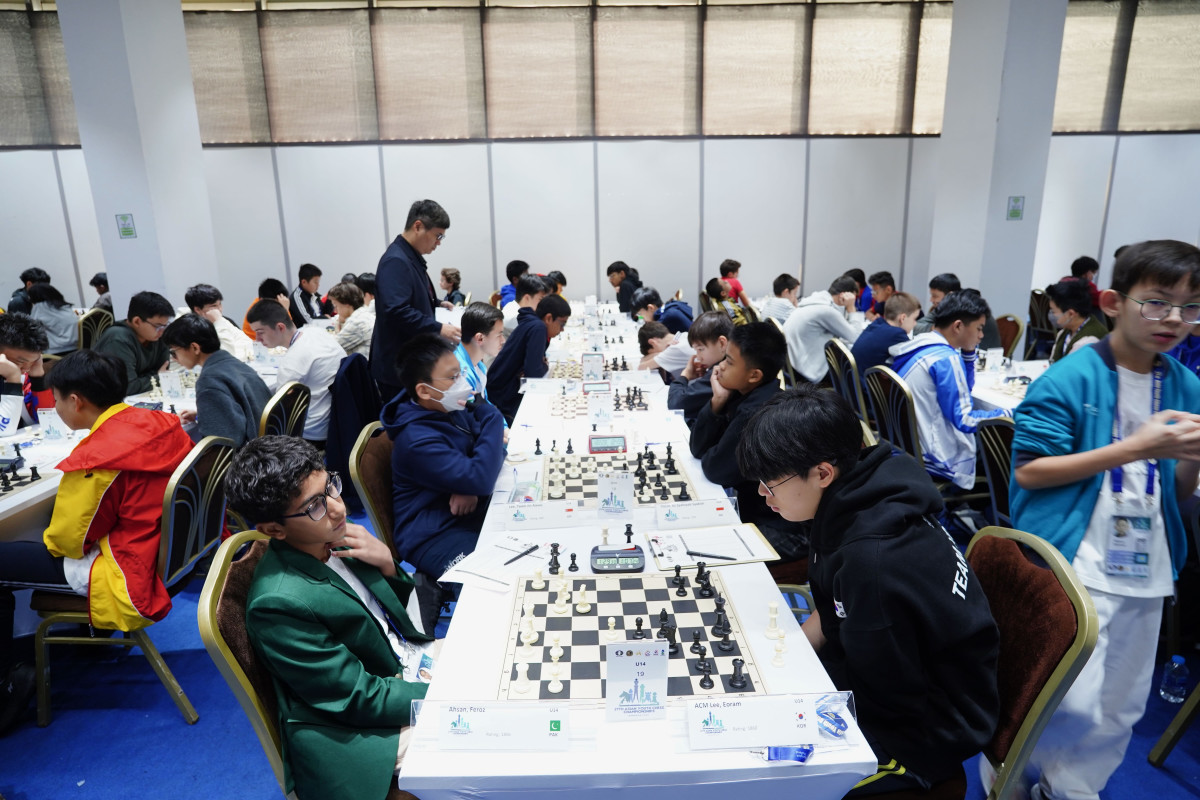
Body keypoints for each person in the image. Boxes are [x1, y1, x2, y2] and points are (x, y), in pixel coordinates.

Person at [736, 386, 999, 795]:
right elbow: (835, 605)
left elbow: (889, 698)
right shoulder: (862, 490)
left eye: (771, 483)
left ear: (823, 473)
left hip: (922, 731)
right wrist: (792, 655)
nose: (762, 494)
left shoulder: (871, 561)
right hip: (892, 676)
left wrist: (791, 698)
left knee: (759, 774)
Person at [1009, 240, 1200, 800]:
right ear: (1114, 302)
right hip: (1074, 558)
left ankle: (1070, 789)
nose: (1175, 319)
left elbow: (1178, 492)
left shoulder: (1185, 385)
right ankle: (1012, 770)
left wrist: (1190, 460)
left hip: (1147, 562)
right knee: (1068, 699)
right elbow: (1029, 472)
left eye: (1191, 307)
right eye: (1157, 302)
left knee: (1122, 705)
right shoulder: (1070, 377)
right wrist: (1135, 448)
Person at [224, 436, 434, 800]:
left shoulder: (333, 538)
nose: (337, 508)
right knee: (494, 735)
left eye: (330, 487)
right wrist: (446, 695)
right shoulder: (277, 604)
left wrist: (387, 564)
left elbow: (396, 619)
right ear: (274, 530)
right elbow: (358, 698)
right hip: (359, 729)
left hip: (401, 665)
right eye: (314, 506)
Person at [0, 350, 194, 734]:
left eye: (55, 400)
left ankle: (7, 684)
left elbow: (67, 541)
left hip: (125, 566)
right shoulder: (161, 421)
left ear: (76, 401)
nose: (54, 408)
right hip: (169, 551)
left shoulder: (96, 456)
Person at [381, 335, 505, 584]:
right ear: (424, 390)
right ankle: (430, 592)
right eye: (452, 377)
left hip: (463, 514)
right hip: (432, 534)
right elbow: (482, 475)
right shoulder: (416, 439)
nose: (463, 383)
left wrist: (469, 484)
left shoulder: (447, 407)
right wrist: (492, 416)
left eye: (460, 373)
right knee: (490, 580)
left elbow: (494, 454)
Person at [689, 323, 809, 564]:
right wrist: (717, 401)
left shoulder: (756, 412)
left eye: (729, 361)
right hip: (762, 515)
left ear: (754, 375)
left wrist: (715, 448)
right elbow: (698, 448)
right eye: (724, 358)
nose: (720, 366)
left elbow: (715, 469)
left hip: (787, 530)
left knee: (699, 553)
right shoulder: (743, 392)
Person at [890, 291, 1006, 489]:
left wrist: (968, 354)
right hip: (934, 457)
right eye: (979, 328)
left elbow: (964, 391)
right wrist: (1010, 413)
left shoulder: (920, 345)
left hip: (908, 446)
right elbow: (965, 420)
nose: (981, 335)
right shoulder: (946, 359)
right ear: (958, 326)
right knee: (1005, 444)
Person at [371, 199, 461, 402]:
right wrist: (439, 328)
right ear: (418, 226)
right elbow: (396, 310)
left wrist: (436, 303)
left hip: (410, 360)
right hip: (398, 366)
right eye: (438, 236)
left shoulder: (409, 256)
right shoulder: (396, 260)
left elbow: (409, 295)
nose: (439, 242)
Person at [247, 299, 345, 449]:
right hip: (336, 420)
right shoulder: (315, 332)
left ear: (280, 327)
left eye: (260, 333)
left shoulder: (292, 362)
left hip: (311, 435)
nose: (257, 339)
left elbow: (278, 412)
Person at [162, 314, 272, 447]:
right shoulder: (234, 364)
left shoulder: (209, 381)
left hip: (253, 454)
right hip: (271, 444)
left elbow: (220, 444)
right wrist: (205, 413)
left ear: (195, 348)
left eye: (174, 352)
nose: (173, 358)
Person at [487, 294, 571, 424]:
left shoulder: (534, 324)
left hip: (501, 390)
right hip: (504, 399)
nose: (562, 329)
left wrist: (539, 364)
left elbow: (532, 369)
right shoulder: (538, 328)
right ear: (549, 318)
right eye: (562, 323)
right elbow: (534, 374)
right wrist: (544, 365)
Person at [782, 276, 860, 384]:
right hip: (808, 372)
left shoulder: (813, 302)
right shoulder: (826, 310)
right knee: (856, 371)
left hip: (792, 366)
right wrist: (851, 308)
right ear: (844, 295)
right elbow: (856, 338)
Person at [93, 291, 173, 395]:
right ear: (137, 321)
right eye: (158, 326)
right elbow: (128, 387)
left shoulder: (157, 336)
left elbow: (164, 370)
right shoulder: (118, 339)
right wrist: (158, 378)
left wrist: (146, 379)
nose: (162, 331)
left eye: (165, 326)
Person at [668, 311, 733, 428]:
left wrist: (684, 376)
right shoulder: (727, 364)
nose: (698, 357)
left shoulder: (720, 372)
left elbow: (676, 404)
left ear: (722, 343)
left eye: (701, 349)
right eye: (696, 350)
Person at [0, 313, 52, 435]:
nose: (27, 368)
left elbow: (47, 420)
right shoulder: (14, 374)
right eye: (20, 362)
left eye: (33, 361)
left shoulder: (26, 374)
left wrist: (38, 378)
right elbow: (3, 431)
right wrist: (13, 378)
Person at [851, 291, 920, 375]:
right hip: (864, 381)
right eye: (914, 319)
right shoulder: (897, 334)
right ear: (902, 318)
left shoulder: (877, 323)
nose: (915, 323)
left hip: (852, 379)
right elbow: (914, 357)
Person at [454, 302, 505, 409]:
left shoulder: (477, 363)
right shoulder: (462, 376)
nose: (503, 340)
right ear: (480, 338)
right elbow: (473, 415)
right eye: (499, 335)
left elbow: (484, 404)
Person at [184, 283, 254, 361]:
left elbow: (248, 343)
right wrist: (218, 323)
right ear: (197, 309)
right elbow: (225, 355)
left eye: (220, 304)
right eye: (214, 306)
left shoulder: (223, 320)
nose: (219, 309)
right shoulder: (189, 329)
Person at [1046, 279, 1108, 363]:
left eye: (1054, 311)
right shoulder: (1065, 332)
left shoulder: (1087, 342)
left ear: (1071, 314)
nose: (1051, 315)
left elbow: (1069, 369)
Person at [27, 283, 78, 354]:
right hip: (75, 347)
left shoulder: (40, 307)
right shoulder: (65, 306)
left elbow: (31, 328)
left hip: (55, 351)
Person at [328, 282, 375, 358]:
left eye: (336, 305)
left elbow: (331, 347)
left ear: (346, 303)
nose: (335, 311)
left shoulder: (358, 322)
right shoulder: (363, 314)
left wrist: (338, 324)